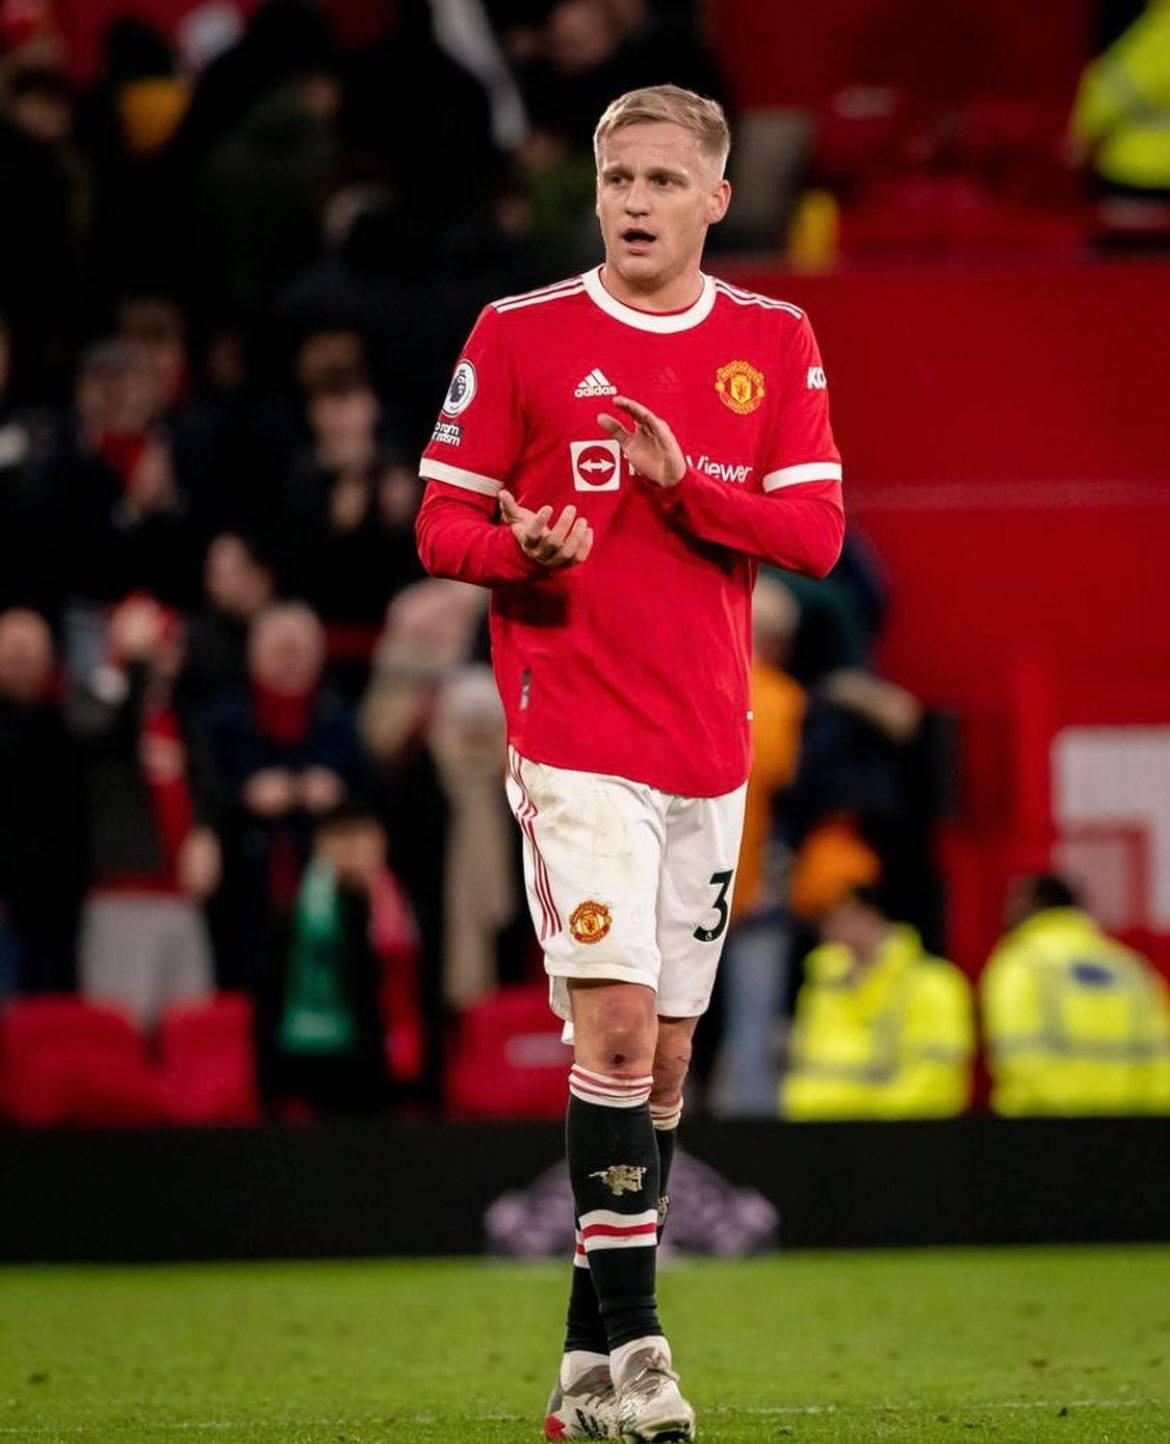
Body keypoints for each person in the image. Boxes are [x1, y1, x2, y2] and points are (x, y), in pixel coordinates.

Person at [415, 84, 844, 1443]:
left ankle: (576, 1382)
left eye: (665, 180)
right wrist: (516, 550)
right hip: (571, 735)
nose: (638, 203)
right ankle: (645, 1355)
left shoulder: (770, 341)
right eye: (618, 181)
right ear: (593, 193)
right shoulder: (522, 335)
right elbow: (438, 520)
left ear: (716, 198)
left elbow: (817, 537)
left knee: (658, 1069)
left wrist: (679, 489)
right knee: (607, 1029)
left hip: (707, 751)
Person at [780, 883, 973, 1120]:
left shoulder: (931, 984)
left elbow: (936, 1081)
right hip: (816, 1133)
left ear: (869, 915)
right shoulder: (822, 983)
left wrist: (875, 1125)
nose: (828, 927)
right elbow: (804, 1068)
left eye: (839, 915)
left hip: (896, 1138)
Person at [981, 875, 1170, 1116]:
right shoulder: (1129, 968)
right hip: (1129, 1132)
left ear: (1033, 904)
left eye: (1014, 901)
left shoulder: (1021, 964)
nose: (1005, 912)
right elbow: (1161, 1061)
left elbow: (1017, 1058)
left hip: (1040, 1133)